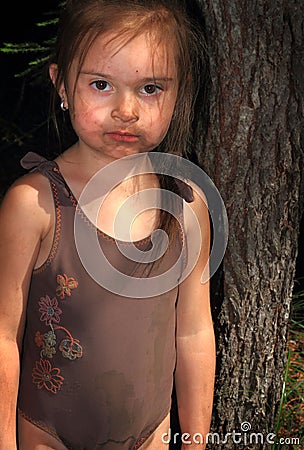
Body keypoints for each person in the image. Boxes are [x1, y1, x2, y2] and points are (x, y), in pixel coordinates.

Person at [0, 0, 216, 449]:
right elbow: (4, 335)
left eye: (151, 88)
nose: (126, 110)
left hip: (150, 437)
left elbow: (194, 333)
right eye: (102, 84)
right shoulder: (35, 205)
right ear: (61, 84)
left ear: (180, 93)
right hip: (46, 436)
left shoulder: (184, 206)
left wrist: (196, 441)